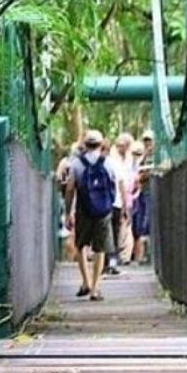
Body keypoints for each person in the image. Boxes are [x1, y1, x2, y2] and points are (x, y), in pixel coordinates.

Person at [64, 129, 117, 301]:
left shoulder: (76, 164)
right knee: (99, 249)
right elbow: (114, 185)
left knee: (81, 245)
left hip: (83, 210)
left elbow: (70, 189)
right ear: (102, 145)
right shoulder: (108, 163)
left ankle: (86, 282)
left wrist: (68, 212)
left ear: (84, 145)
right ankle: (95, 288)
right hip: (103, 212)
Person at [104, 132, 133, 275]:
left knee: (101, 235)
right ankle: (112, 263)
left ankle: (103, 264)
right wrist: (124, 205)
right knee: (114, 234)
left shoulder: (94, 163)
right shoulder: (115, 164)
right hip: (115, 203)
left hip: (99, 205)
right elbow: (121, 184)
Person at [132, 129, 156, 263]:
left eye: (149, 140)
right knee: (142, 223)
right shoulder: (144, 157)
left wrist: (142, 176)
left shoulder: (158, 155)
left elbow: (157, 169)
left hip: (152, 192)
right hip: (143, 192)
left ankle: (149, 256)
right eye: (145, 140)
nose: (147, 143)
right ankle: (146, 256)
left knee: (148, 221)